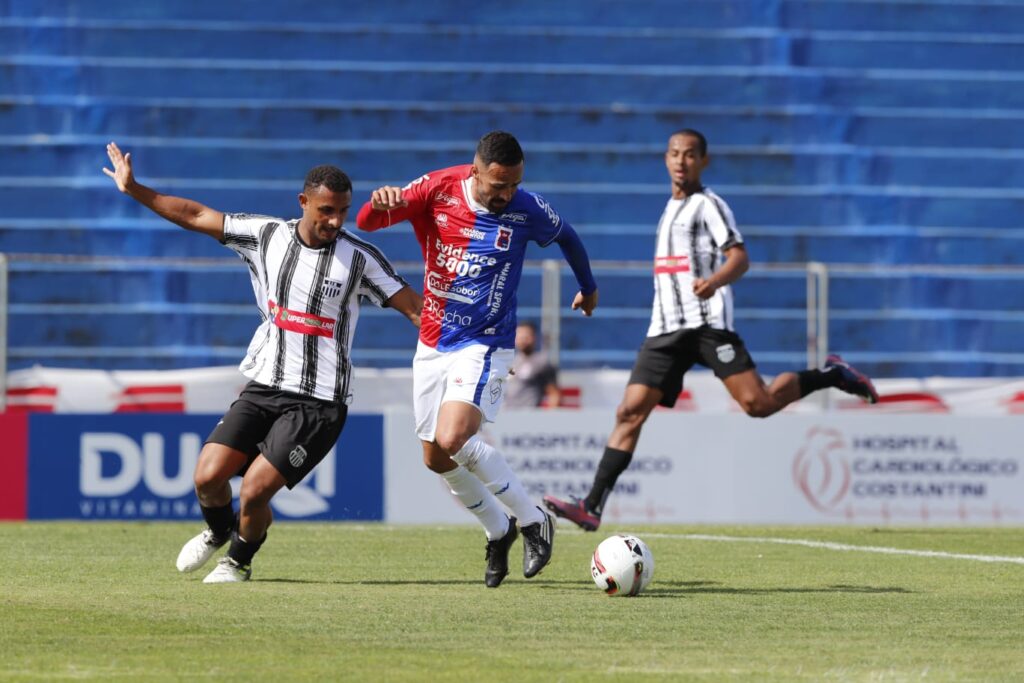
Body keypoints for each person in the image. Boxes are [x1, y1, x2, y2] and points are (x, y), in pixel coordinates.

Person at [103, 142, 422, 582]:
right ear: (303, 202)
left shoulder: (360, 258)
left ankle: (237, 562)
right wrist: (134, 189)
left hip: (318, 402)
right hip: (265, 385)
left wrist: (465, 349)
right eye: (326, 210)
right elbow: (197, 215)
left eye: (342, 212)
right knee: (207, 477)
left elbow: (415, 309)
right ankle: (218, 530)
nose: (334, 221)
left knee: (254, 490)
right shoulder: (266, 235)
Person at [542, 128, 879, 531]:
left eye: (689, 155)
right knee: (629, 411)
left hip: (706, 326)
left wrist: (714, 281)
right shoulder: (669, 208)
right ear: (665, 159)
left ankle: (831, 375)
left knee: (759, 404)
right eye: (674, 153)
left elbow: (740, 258)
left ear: (703, 161)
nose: (681, 161)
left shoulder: (709, 205)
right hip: (664, 331)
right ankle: (592, 507)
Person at [356, 131, 599, 587]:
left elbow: (567, 236)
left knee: (453, 436)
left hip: (486, 342)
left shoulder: (526, 208)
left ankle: (532, 520)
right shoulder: (436, 188)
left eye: (514, 184)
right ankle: (498, 528)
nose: (506, 194)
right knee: (434, 458)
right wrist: (380, 202)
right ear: (475, 171)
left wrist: (587, 285)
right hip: (432, 341)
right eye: (497, 185)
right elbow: (367, 223)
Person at [505, 321, 561, 409]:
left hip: (530, 416)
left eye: (526, 336)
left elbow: (554, 394)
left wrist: (549, 418)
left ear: (534, 337)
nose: (523, 339)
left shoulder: (542, 362)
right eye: (520, 336)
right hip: (508, 415)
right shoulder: (511, 362)